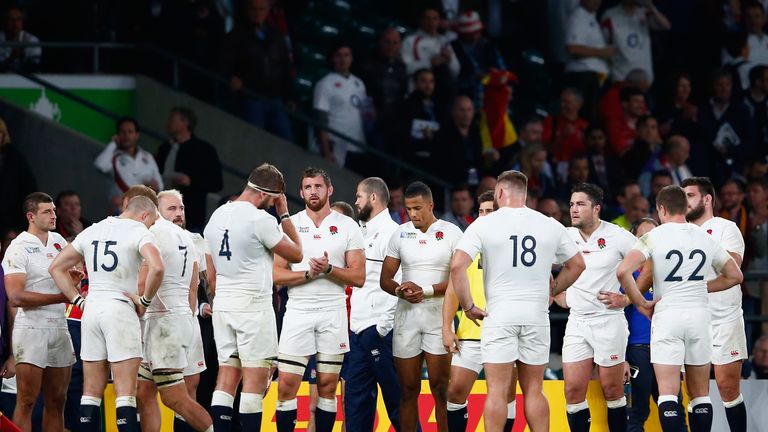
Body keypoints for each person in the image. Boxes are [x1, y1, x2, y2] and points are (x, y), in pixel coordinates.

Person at [450, 170, 585, 431]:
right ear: (525, 194)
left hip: (499, 315)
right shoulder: (548, 223)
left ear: (500, 193)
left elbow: (457, 267)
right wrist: (553, 290)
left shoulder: (484, 223)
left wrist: (467, 306)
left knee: (497, 391)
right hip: (536, 315)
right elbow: (577, 264)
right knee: (534, 389)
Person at [617, 185, 743, 432]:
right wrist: (702, 286)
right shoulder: (704, 237)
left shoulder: (654, 236)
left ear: (661, 209)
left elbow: (623, 271)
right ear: (686, 208)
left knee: (667, 393)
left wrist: (641, 302)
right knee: (700, 396)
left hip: (668, 314)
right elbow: (735, 276)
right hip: (700, 316)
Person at [48, 194, 165, 432]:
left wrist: (77, 301)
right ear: (144, 215)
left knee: (90, 391)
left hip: (91, 310)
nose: (151, 226)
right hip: (119, 309)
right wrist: (145, 299)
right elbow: (157, 266)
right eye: (151, 222)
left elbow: (56, 267)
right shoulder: (138, 231)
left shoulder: (93, 229)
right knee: (125, 392)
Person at [203, 163, 303, 432]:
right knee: (254, 381)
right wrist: (283, 215)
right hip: (253, 305)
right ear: (266, 194)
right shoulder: (261, 220)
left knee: (226, 375)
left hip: (223, 302)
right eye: (274, 200)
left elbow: (210, 275)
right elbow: (297, 254)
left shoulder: (216, 216)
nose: (272, 204)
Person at [273, 167, 365, 432]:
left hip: (333, 309)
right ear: (301, 192)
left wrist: (327, 270)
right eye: (308, 187)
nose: (313, 192)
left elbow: (358, 277)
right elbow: (276, 274)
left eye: (318, 186)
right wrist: (307, 274)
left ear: (330, 190)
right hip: (298, 309)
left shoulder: (348, 225)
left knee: (327, 386)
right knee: (287, 385)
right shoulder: (289, 225)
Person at [380, 181, 463, 431]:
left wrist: (425, 291)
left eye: (417, 208)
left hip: (439, 316)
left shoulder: (452, 232)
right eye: (408, 209)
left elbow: (460, 279)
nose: (413, 214)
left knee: (440, 389)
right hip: (407, 318)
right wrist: (399, 290)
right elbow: (385, 278)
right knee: (407, 390)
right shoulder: (401, 233)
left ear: (431, 205)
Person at [556, 183, 635, 432]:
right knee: (572, 390)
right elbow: (540, 267)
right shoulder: (564, 236)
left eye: (580, 204)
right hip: (577, 321)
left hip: (608, 320)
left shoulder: (618, 236)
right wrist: (557, 293)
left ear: (596, 208)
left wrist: (628, 299)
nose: (574, 209)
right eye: (571, 204)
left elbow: (650, 264)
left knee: (612, 390)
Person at [136, 189, 212, 432]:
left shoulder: (162, 235)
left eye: (181, 208)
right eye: (172, 208)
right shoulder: (184, 239)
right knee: (145, 391)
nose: (179, 213)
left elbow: (201, 286)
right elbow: (194, 287)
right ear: (158, 210)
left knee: (180, 394)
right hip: (179, 320)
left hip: (167, 321)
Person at [442, 191, 519, 431]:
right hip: (470, 332)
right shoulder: (467, 246)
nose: (484, 216)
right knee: (454, 392)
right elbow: (453, 290)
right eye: (481, 211)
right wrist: (446, 327)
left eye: (490, 211)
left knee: (505, 395)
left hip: (505, 331)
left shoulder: (514, 246)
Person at [1, 192, 76, 431]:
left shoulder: (59, 242)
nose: (54, 215)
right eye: (47, 211)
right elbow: (16, 297)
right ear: (31, 216)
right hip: (31, 326)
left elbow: (69, 281)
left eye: (54, 210)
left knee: (57, 400)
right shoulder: (18, 246)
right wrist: (61, 296)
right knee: (27, 400)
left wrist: (73, 280)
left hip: (59, 326)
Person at [682, 177, 749, 431]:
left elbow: (732, 269)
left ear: (707, 199)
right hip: (691, 320)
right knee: (696, 392)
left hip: (724, 319)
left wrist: (695, 282)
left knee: (728, 387)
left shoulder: (725, 228)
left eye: (690, 195)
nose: (684, 201)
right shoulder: (679, 231)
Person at [344, 177, 403, 431]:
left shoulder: (393, 233)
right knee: (356, 411)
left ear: (373, 198)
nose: (355, 201)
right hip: (357, 333)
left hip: (381, 333)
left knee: (399, 406)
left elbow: (398, 285)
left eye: (358, 196)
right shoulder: (359, 231)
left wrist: (382, 329)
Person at [217, 0, 293, 140]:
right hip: (251, 97)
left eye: (261, 9)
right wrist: (231, 78)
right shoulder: (236, 35)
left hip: (275, 99)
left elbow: (285, 67)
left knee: (286, 140)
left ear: (268, 10)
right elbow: (224, 64)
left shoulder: (276, 36)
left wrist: (289, 96)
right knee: (254, 139)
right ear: (248, 10)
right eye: (254, 9)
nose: (257, 13)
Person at [156, 107, 223, 232]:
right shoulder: (165, 147)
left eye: (172, 119)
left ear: (184, 122)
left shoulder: (204, 150)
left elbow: (216, 183)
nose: (168, 123)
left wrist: (191, 181)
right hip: (161, 213)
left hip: (190, 216)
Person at [313, 42, 369, 171]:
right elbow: (321, 119)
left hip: (357, 145)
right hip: (337, 146)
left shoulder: (359, 83)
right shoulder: (325, 83)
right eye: (339, 55)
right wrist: (326, 151)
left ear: (351, 58)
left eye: (346, 55)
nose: (343, 59)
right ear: (333, 58)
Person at [93, 117, 164, 211]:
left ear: (136, 135)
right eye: (122, 132)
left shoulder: (147, 157)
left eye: (130, 132)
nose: (126, 135)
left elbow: (160, 184)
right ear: (117, 135)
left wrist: (155, 187)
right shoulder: (113, 157)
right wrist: (113, 144)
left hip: (145, 211)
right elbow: (99, 165)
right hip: (120, 211)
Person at [564, 0, 614, 121]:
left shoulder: (591, 17)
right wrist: (603, 52)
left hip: (595, 79)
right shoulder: (578, 17)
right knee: (587, 120)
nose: (597, 1)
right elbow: (572, 49)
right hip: (583, 77)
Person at [600, 0, 671, 84]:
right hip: (621, 77)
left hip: (644, 78)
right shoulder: (609, 15)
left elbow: (666, 26)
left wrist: (651, 7)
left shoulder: (644, 12)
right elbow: (603, 46)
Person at [400, 7, 460, 101]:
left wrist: (449, 60)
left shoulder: (444, 41)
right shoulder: (410, 41)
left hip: (442, 93)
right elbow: (405, 68)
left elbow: (456, 71)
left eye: (434, 18)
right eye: (427, 18)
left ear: (439, 21)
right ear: (421, 20)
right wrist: (429, 63)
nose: (431, 22)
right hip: (417, 93)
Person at [0, 117, 37, 234]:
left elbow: (29, 194)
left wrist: (16, 226)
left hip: (8, 226)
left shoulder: (15, 161)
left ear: (3, 136)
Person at [0, 6, 40, 70]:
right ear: (5, 21)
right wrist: (12, 57)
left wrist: (23, 57)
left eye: (18, 19)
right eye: (11, 19)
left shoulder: (33, 40)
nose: (15, 23)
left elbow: (35, 67)